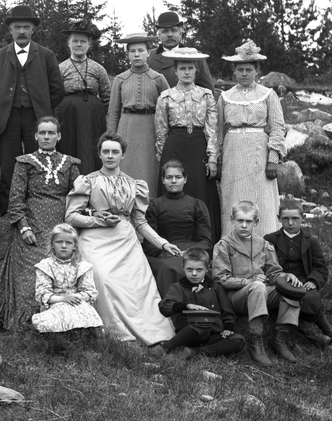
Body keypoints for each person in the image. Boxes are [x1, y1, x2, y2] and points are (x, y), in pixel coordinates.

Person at [65, 132, 174, 345]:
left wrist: (162, 243)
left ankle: (153, 334)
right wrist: (98, 221)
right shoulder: (88, 181)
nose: (110, 156)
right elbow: (70, 217)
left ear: (122, 155)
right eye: (105, 151)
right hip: (95, 240)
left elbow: (140, 223)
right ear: (99, 154)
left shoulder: (134, 185)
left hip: (125, 241)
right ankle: (116, 335)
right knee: (103, 278)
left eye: (115, 152)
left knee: (139, 285)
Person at [0, 116, 80, 330]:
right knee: (31, 272)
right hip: (32, 227)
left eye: (51, 133)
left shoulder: (70, 163)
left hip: (60, 227)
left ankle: (60, 321)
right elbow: (15, 199)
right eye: (42, 133)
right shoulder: (25, 162)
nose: (47, 137)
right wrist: (24, 227)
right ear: (35, 136)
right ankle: (27, 322)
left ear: (59, 136)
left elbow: (78, 196)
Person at [0, 5, 66, 214]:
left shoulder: (46, 55)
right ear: (10, 30)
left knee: (37, 166)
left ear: (32, 30)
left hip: (36, 121)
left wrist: (42, 108)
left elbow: (58, 89)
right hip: (6, 121)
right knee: (8, 170)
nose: (21, 31)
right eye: (17, 27)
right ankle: (8, 218)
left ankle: (38, 214)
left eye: (26, 27)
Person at [213, 200, 299, 366]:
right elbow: (221, 278)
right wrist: (248, 281)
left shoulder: (264, 245)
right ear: (232, 220)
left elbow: (273, 273)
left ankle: (280, 338)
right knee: (258, 286)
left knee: (291, 290)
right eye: (240, 221)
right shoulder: (224, 245)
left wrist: (286, 276)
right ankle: (255, 342)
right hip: (235, 297)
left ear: (256, 222)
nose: (244, 225)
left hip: (260, 293)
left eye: (248, 221)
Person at [264, 199, 332, 351]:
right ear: (278, 218)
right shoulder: (270, 240)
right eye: (285, 219)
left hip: (304, 282)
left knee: (309, 298)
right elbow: (264, 265)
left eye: (295, 218)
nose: (290, 223)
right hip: (280, 282)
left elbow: (320, 267)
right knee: (289, 297)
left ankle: (326, 333)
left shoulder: (311, 241)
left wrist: (313, 281)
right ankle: (321, 336)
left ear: (303, 218)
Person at [216, 41, 286, 236]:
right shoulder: (225, 97)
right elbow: (217, 131)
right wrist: (217, 159)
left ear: (257, 71)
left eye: (248, 70)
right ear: (234, 72)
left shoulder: (268, 95)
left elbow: (278, 127)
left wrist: (273, 159)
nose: (244, 74)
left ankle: (265, 240)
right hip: (233, 152)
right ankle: (232, 243)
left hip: (258, 152)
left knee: (261, 197)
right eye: (240, 70)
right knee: (233, 196)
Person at [154, 46, 220, 219]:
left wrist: (212, 158)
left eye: (190, 68)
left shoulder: (206, 95)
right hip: (174, 146)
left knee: (200, 189)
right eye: (182, 68)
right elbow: (161, 130)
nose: (187, 72)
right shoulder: (165, 96)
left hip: (198, 146)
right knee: (174, 186)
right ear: (175, 71)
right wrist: (163, 157)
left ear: (196, 70)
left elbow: (212, 128)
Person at [157, 248, 245, 358]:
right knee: (202, 323)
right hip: (190, 334)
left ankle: (195, 352)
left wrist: (228, 328)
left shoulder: (216, 288)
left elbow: (227, 312)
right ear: (183, 268)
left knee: (238, 340)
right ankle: (166, 347)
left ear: (207, 269)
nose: (194, 274)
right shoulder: (178, 287)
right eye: (189, 269)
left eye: (199, 270)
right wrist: (186, 306)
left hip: (213, 334)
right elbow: (164, 307)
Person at [107, 32, 168, 186]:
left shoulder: (158, 78)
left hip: (150, 128)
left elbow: (168, 110)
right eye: (132, 51)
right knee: (126, 165)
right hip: (126, 128)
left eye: (141, 50)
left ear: (148, 53)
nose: (136, 54)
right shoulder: (120, 79)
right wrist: (111, 137)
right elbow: (113, 112)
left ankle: (150, 198)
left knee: (150, 166)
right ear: (128, 54)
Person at [144, 160, 211, 294]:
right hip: (162, 253)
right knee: (169, 268)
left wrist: (189, 251)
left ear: (185, 179)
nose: (173, 181)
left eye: (178, 177)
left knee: (195, 266)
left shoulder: (196, 205)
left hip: (190, 251)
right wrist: (164, 249)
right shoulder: (155, 205)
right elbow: (149, 241)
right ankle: (171, 305)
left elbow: (206, 241)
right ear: (163, 180)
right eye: (169, 177)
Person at [55, 21, 111, 174]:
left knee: (92, 148)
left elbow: (107, 95)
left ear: (89, 44)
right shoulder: (60, 68)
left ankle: (94, 179)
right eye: (75, 41)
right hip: (68, 115)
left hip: (93, 116)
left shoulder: (98, 68)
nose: (79, 44)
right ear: (69, 43)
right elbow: (54, 95)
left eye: (83, 41)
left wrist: (100, 114)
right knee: (69, 146)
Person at [30, 224, 105, 337]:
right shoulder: (45, 266)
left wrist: (73, 297)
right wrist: (63, 298)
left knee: (87, 315)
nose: (64, 246)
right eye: (59, 242)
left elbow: (89, 292)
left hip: (77, 302)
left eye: (68, 243)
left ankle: (85, 339)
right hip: (55, 303)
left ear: (74, 246)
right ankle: (59, 339)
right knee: (57, 316)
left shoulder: (82, 266)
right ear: (52, 244)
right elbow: (42, 294)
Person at [150, 11, 216, 90]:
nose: (170, 35)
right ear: (159, 35)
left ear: (180, 33)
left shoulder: (195, 56)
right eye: (165, 31)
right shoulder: (149, 57)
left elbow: (207, 90)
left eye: (174, 30)